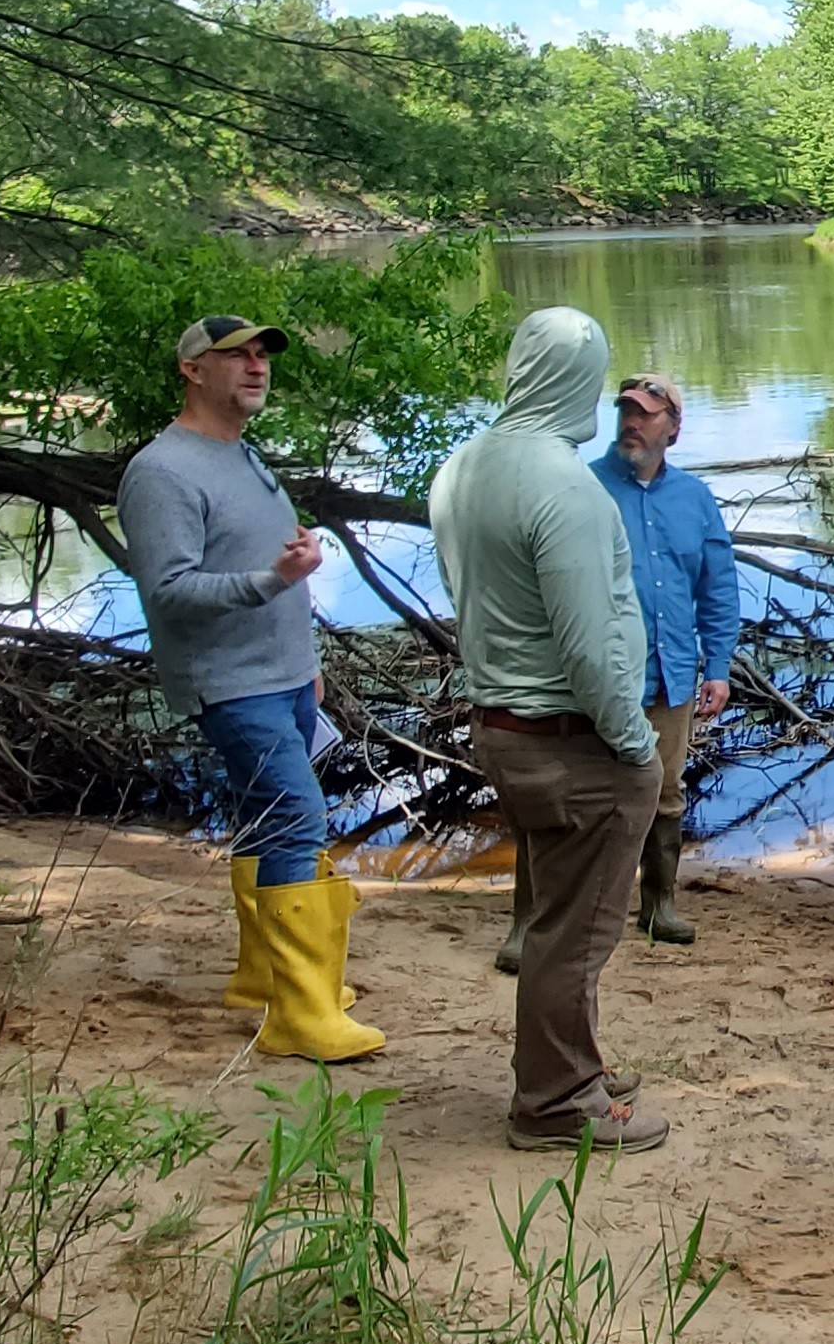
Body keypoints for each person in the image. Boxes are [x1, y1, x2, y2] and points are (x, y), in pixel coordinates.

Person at [428, 305, 665, 1153]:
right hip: (571, 737)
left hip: (503, 725)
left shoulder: (463, 466)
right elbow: (589, 640)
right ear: (578, 380)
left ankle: (575, 1064)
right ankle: (556, 1103)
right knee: (578, 929)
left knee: (558, 910)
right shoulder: (563, 486)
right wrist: (634, 744)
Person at [116, 316, 375, 1065]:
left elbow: (273, 564)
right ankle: (301, 1014)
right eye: (236, 356)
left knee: (267, 822)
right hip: (231, 685)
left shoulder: (241, 453)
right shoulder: (162, 472)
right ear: (194, 371)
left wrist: (306, 654)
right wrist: (272, 581)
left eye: (261, 356)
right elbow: (167, 591)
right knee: (297, 816)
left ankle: (265, 978)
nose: (256, 366)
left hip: (284, 676)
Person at [593, 372, 739, 949]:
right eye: (626, 409)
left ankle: (659, 906)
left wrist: (719, 666)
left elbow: (718, 587)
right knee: (592, 795)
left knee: (665, 790)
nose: (633, 421)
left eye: (647, 413)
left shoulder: (694, 499)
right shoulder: (586, 490)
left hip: (672, 675)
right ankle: (580, 910)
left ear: (673, 429)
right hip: (600, 677)